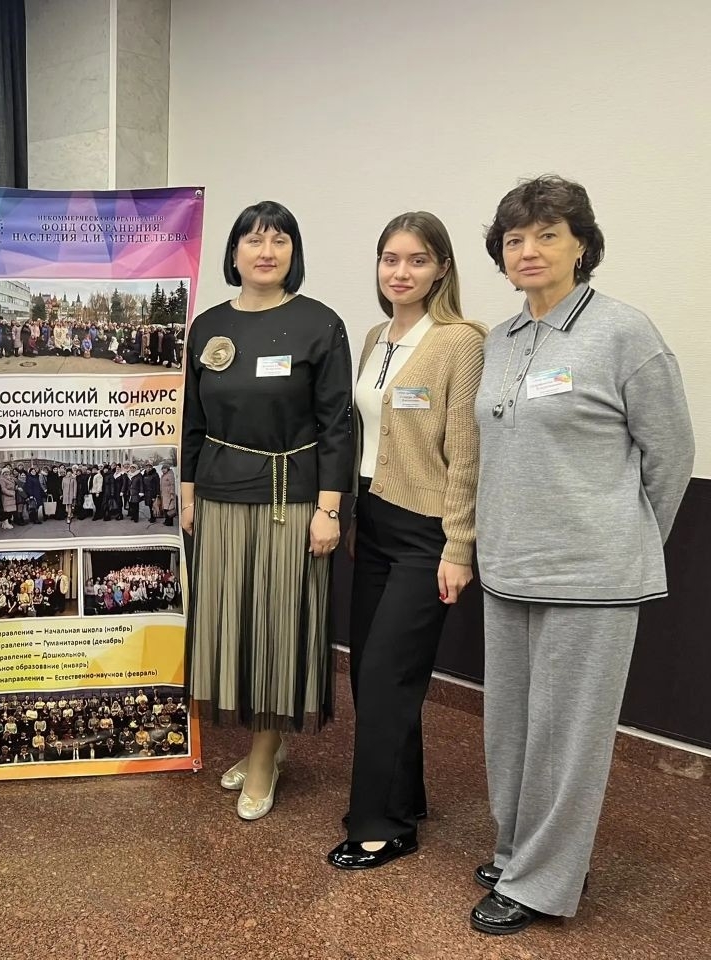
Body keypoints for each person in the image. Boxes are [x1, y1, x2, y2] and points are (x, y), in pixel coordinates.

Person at [469, 176, 694, 935]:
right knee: (511, 731)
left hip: (591, 575)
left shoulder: (625, 332)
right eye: (514, 240)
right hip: (509, 567)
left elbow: (671, 454)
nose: (529, 251)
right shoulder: (500, 340)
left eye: (547, 235)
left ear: (582, 246)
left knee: (568, 740)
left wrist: (621, 537)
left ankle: (542, 882)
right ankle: (517, 851)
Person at [182, 200, 353, 821]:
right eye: (253, 240)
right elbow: (193, 416)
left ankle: (263, 757)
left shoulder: (319, 324)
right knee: (232, 625)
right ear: (234, 254)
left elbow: (337, 423)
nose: (266, 251)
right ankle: (264, 741)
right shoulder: (208, 326)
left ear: (293, 253)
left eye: (279, 240)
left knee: (278, 629)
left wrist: (330, 509)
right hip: (221, 495)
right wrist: (187, 491)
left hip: (292, 499)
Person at [326, 212, 485, 872]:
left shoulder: (461, 341)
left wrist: (459, 546)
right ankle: (405, 796)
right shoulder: (374, 337)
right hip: (375, 523)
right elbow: (368, 441)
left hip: (428, 532)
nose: (401, 272)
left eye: (417, 260)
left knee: (388, 673)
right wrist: (356, 518)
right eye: (390, 259)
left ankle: (382, 825)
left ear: (442, 268)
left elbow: (467, 453)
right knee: (370, 669)